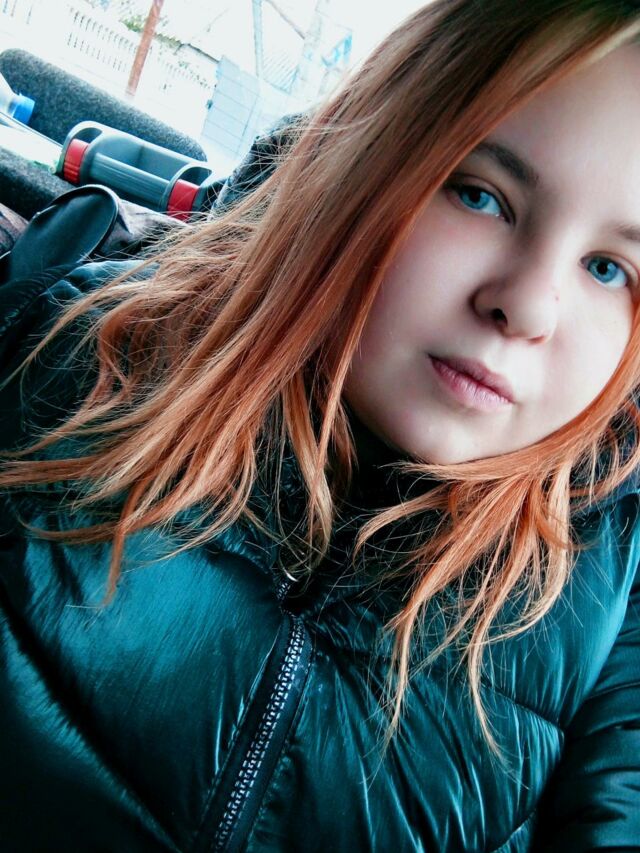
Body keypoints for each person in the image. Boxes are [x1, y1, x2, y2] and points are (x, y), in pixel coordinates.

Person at [1, 1, 640, 850]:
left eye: (609, 268)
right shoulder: (76, 349)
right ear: (368, 157)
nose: (526, 306)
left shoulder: (610, 594)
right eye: (480, 195)